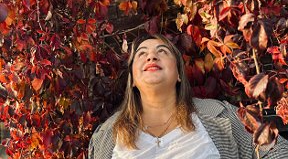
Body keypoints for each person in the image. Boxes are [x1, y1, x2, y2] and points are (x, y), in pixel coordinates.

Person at [88, 34, 288, 158]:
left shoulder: (221, 115)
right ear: (132, 79)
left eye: (162, 51)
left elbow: (276, 151)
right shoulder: (105, 136)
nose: (151, 56)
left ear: (178, 75)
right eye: (141, 54)